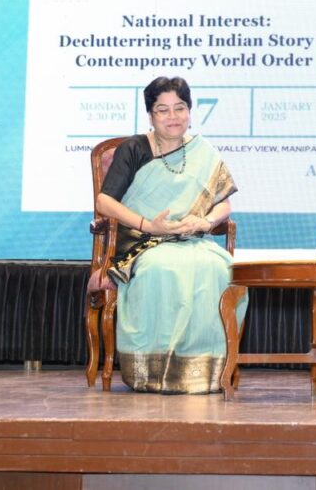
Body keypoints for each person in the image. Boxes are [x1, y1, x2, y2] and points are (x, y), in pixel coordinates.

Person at [94, 75, 245, 393]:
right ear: (151, 115)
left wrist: (205, 221)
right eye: (163, 110)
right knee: (162, 268)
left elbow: (224, 204)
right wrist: (149, 225)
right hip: (143, 243)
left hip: (191, 239)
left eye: (179, 108)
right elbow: (104, 202)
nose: (172, 116)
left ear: (190, 111)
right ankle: (154, 371)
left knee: (224, 268)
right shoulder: (133, 149)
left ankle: (208, 371)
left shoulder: (203, 151)